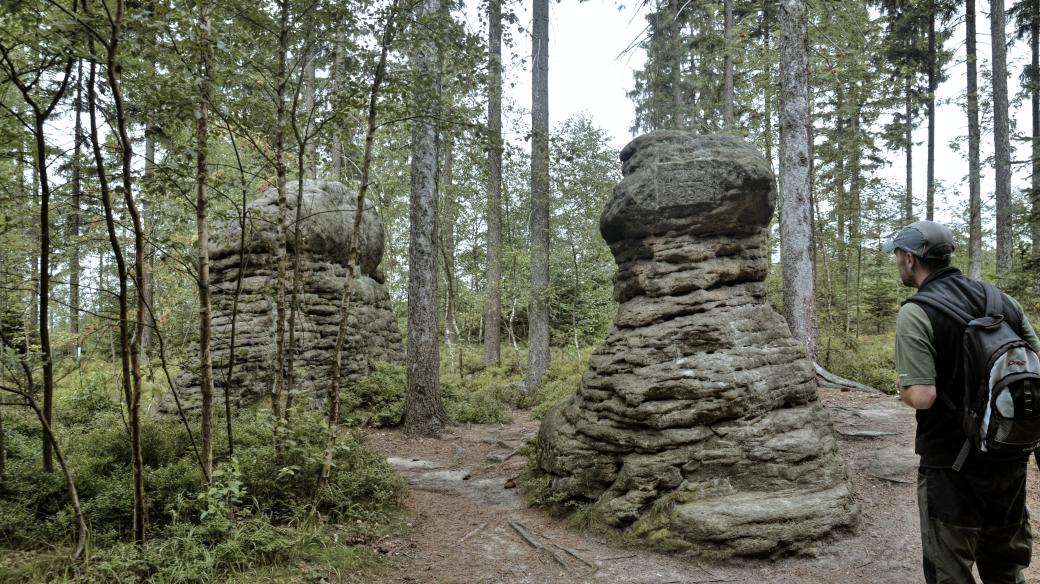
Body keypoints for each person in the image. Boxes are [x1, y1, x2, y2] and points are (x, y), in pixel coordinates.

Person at [886, 220, 1040, 583]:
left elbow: (922, 397)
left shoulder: (917, 311)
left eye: (897, 256)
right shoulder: (1000, 300)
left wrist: (903, 388)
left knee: (950, 571)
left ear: (910, 259)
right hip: (1008, 459)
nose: (897, 263)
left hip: (951, 468)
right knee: (1005, 569)